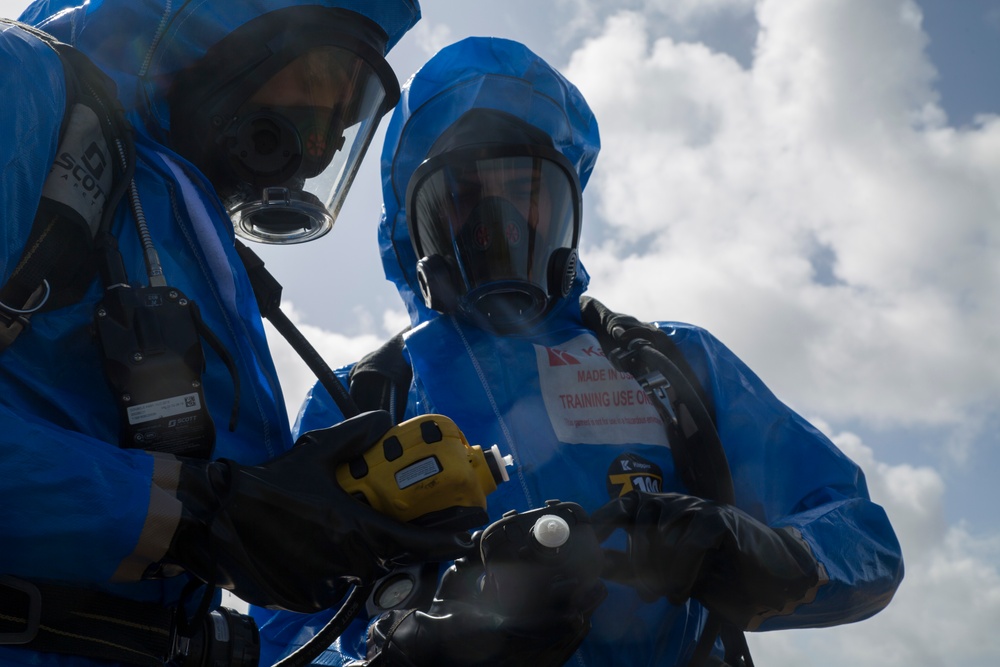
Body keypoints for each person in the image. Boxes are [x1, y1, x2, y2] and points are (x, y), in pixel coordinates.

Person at [255, 37, 905, 667]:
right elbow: (279, 632)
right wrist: (406, 652)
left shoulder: (673, 365)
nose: (501, 223)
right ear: (412, 227)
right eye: (465, 198)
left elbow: (862, 534)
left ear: (570, 211)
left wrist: (759, 553)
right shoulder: (360, 404)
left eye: (526, 192)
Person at [0, 2, 473, 666]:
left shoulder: (196, 244)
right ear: (219, 35)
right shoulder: (23, 87)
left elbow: (215, 556)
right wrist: (189, 515)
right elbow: (203, 516)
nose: (320, 146)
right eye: (314, 82)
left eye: (344, 118)